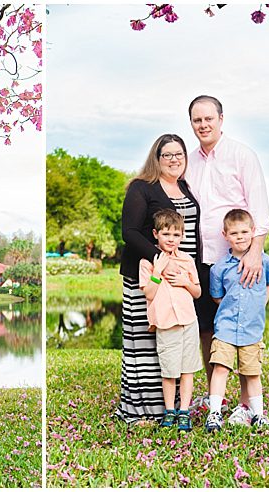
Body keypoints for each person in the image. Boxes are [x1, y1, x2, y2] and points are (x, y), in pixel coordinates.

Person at [186, 95, 269, 416]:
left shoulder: (242, 155)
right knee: (208, 329)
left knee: (244, 329)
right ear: (191, 123)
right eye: (197, 120)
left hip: (238, 262)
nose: (203, 125)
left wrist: (254, 253)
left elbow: (259, 208)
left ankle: (248, 403)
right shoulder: (188, 161)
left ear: (221, 119)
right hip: (200, 260)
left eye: (208, 118)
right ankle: (215, 397)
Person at [116, 133, 202, 423]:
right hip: (150, 274)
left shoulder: (185, 188)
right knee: (146, 340)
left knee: (176, 339)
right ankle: (145, 410)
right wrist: (159, 262)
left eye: (179, 154)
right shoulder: (142, 188)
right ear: (157, 158)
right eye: (167, 155)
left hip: (182, 280)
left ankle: (177, 408)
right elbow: (129, 232)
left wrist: (191, 273)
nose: (174, 159)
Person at [205, 209, 269, 432]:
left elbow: (268, 285)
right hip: (225, 327)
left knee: (252, 373)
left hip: (252, 329)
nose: (240, 236)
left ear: (253, 232)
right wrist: (231, 309)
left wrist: (257, 307)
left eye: (245, 231)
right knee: (220, 368)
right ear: (225, 235)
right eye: (234, 233)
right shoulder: (219, 268)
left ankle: (258, 414)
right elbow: (217, 296)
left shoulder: (264, 262)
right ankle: (214, 413)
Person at [138, 210, 201, 432]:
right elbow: (149, 294)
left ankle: (184, 411)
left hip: (188, 322)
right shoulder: (148, 262)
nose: (171, 239)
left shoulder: (187, 260)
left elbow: (197, 293)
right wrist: (159, 270)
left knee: (187, 370)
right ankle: (169, 411)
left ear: (182, 236)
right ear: (156, 234)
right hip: (166, 324)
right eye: (166, 234)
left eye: (176, 235)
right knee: (169, 371)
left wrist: (185, 281)